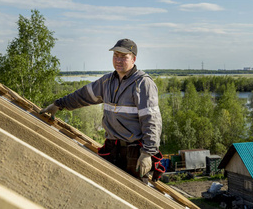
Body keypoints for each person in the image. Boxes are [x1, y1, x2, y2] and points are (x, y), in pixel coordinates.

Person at [41, 38, 164, 181]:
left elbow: (152, 121)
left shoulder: (143, 84)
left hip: (134, 153)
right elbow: (82, 96)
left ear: (133, 59)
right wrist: (58, 104)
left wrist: (147, 153)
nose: (118, 60)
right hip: (112, 149)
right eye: (115, 55)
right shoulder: (107, 82)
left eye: (124, 56)